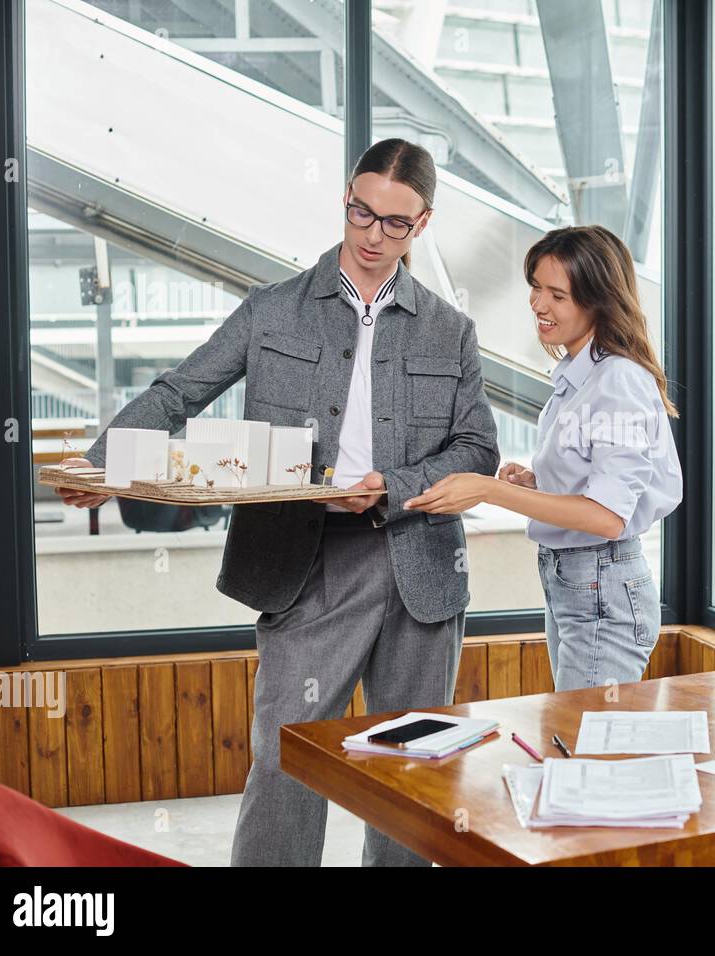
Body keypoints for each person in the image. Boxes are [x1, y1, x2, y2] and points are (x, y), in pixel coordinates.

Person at [55, 138, 499, 865]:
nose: (371, 235)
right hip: (308, 565)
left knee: (413, 774)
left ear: (421, 226)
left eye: (395, 223)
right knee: (288, 756)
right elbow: (177, 393)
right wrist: (100, 464)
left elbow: (477, 450)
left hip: (420, 566)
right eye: (361, 212)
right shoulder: (272, 312)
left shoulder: (452, 332)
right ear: (346, 201)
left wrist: (397, 484)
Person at [403, 225, 681, 691]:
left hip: (600, 582)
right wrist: (535, 483)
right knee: (579, 741)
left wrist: (491, 490)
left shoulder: (618, 380)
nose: (538, 304)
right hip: (575, 579)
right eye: (535, 287)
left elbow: (609, 516)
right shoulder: (581, 374)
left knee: (587, 748)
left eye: (558, 294)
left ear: (598, 300)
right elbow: (595, 482)